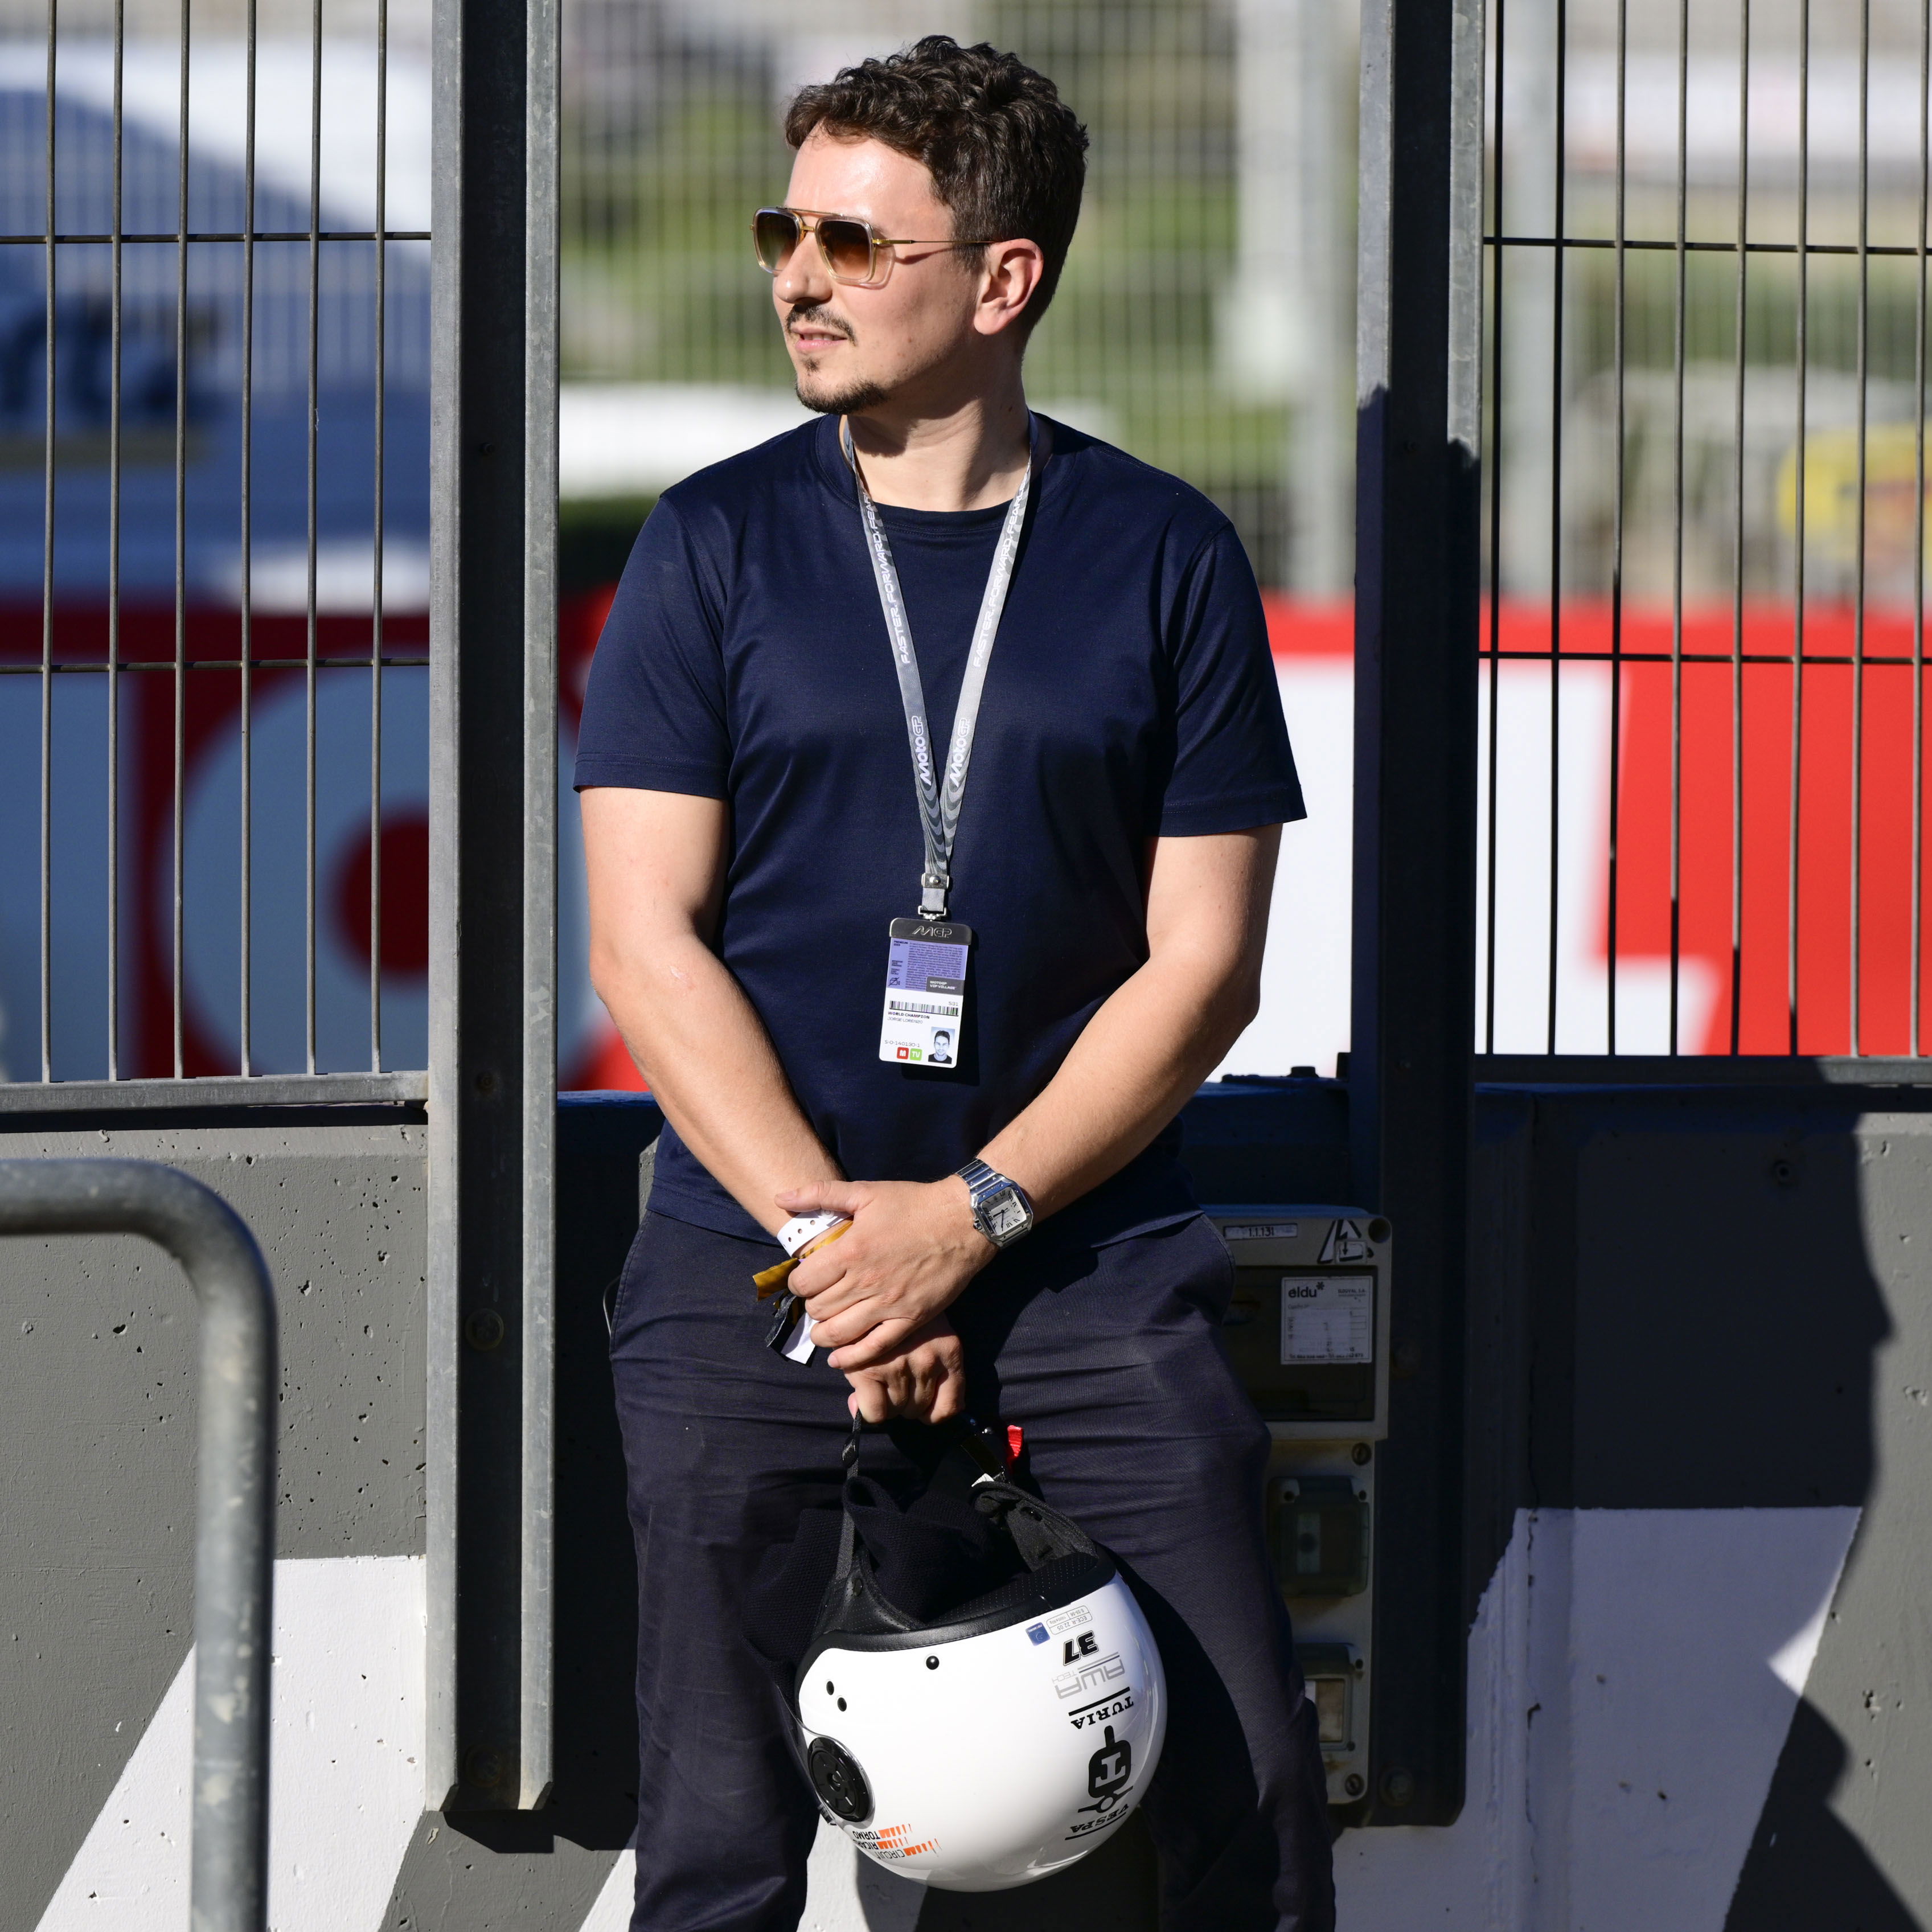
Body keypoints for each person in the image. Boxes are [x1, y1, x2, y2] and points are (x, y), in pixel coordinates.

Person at [576, 35, 1334, 1932]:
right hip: (755, 1264)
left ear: (1004, 280)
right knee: (722, 1839)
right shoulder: (716, 542)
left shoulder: (1160, 553)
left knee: (1246, 1795)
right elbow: (640, 937)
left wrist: (972, 1218)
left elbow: (1207, 964)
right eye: (785, 227)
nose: (796, 276)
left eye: (853, 239)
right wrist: (855, 1254)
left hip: (1077, 1264)